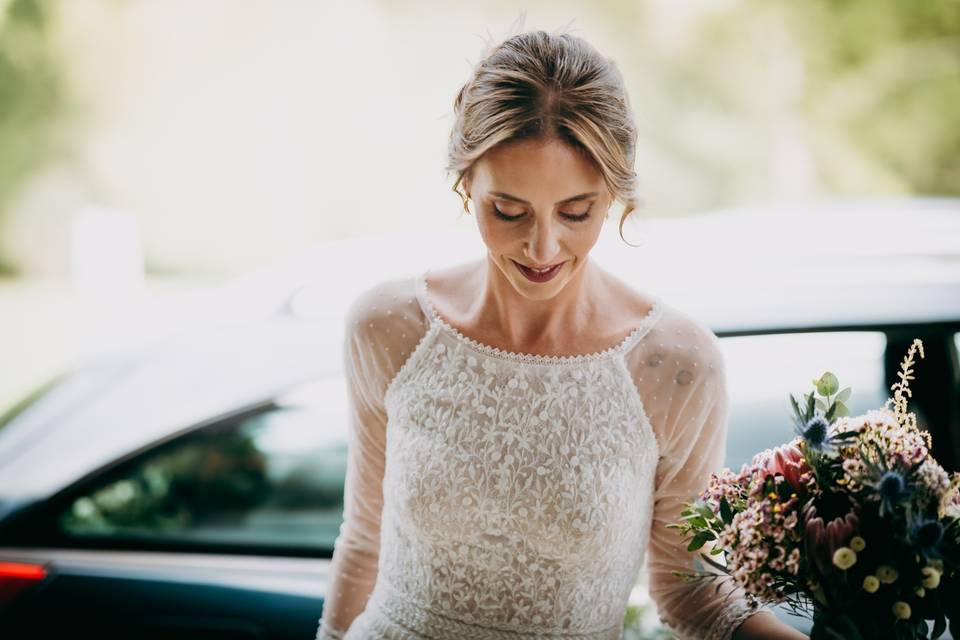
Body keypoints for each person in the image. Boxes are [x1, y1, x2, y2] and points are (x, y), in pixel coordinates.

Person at [315, 28, 808, 640]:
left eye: (576, 212)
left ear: (614, 196)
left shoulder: (677, 366)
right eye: (509, 211)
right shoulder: (388, 328)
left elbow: (693, 595)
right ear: (467, 184)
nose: (543, 247)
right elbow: (363, 540)